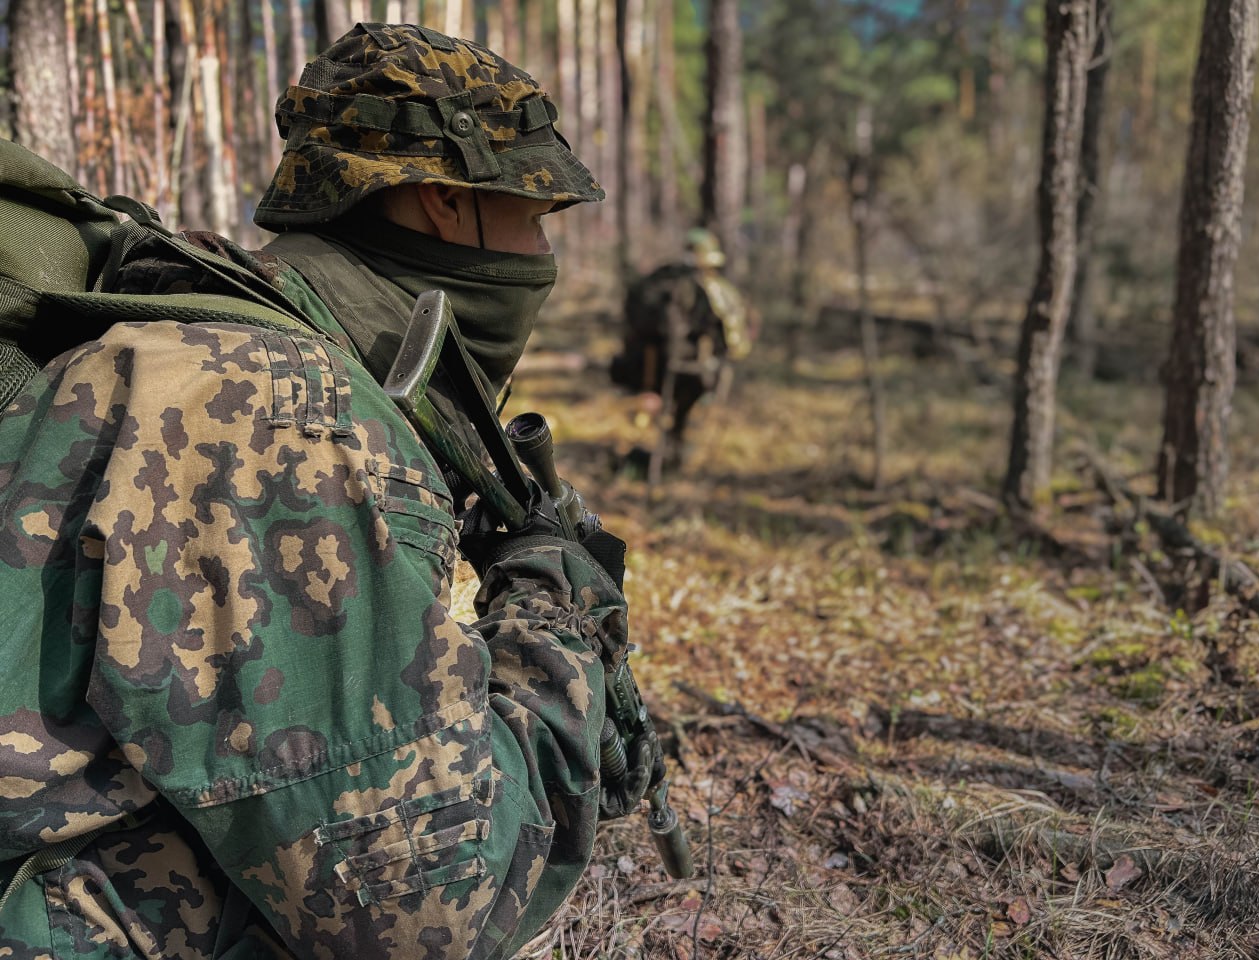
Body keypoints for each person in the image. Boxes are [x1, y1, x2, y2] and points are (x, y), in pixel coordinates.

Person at [0, 23, 629, 959]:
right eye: (536, 214)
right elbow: (419, 912)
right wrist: (553, 620)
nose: (543, 253)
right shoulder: (267, 403)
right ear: (444, 203)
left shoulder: (194, 337)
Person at [610, 228, 753, 475]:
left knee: (674, 417)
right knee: (678, 415)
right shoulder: (706, 289)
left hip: (659, 368)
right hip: (685, 370)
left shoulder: (663, 281)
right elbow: (733, 339)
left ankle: (668, 458)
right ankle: (665, 460)